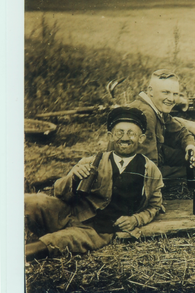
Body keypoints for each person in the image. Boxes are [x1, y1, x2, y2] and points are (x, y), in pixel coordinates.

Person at [25, 107, 164, 260]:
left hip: (97, 230)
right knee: (31, 201)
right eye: (119, 132)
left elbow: (155, 206)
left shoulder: (150, 170)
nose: (125, 138)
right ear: (110, 136)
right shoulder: (92, 161)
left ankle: (13, 256)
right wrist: (74, 178)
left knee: (60, 241)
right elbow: (59, 192)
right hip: (68, 213)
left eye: (131, 133)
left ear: (141, 138)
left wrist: (135, 220)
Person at [114, 69, 195, 180]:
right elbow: (149, 170)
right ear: (150, 91)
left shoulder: (156, 107)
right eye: (165, 92)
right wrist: (188, 171)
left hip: (155, 157)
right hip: (133, 172)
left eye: (175, 94)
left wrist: (190, 147)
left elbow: (181, 132)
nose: (171, 99)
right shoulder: (146, 114)